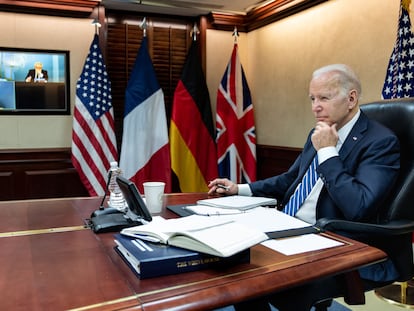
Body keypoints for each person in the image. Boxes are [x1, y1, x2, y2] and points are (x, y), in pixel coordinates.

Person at [208, 64, 400, 310]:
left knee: (262, 280)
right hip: (287, 226)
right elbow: (291, 180)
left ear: (351, 98)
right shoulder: (318, 132)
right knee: (233, 263)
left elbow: (359, 206)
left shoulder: (380, 142)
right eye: (312, 98)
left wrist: (328, 152)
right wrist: (240, 189)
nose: (315, 107)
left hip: (330, 238)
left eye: (324, 98)